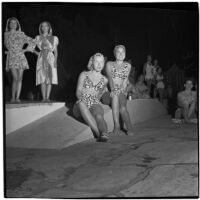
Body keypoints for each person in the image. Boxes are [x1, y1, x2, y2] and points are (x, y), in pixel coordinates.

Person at [75, 53, 109, 142]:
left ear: (104, 63)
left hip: (94, 103)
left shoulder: (105, 80)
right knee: (82, 104)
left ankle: (104, 133)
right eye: (96, 62)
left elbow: (98, 95)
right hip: (81, 103)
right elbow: (78, 91)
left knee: (99, 115)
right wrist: (81, 98)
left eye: (101, 62)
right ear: (92, 63)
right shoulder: (84, 74)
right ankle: (98, 134)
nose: (99, 64)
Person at [4, 17, 35, 103]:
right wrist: (5, 52)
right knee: (15, 77)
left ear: (17, 25)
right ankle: (12, 97)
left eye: (15, 23)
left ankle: (17, 97)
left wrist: (25, 50)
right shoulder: (5, 34)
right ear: (8, 24)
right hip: (11, 57)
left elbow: (32, 41)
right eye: (11, 23)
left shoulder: (21, 34)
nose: (13, 24)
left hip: (21, 57)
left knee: (20, 78)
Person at [106, 45, 134, 135]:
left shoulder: (128, 65)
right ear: (114, 54)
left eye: (123, 52)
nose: (121, 54)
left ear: (125, 54)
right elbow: (110, 78)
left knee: (122, 108)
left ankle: (129, 128)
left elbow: (125, 80)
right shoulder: (109, 64)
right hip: (112, 89)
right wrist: (113, 89)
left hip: (121, 90)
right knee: (114, 97)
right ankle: (117, 126)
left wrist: (124, 91)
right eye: (118, 52)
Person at [35, 21, 59, 102]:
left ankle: (47, 97)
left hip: (50, 58)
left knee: (49, 77)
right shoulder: (38, 37)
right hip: (41, 58)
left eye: (46, 26)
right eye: (42, 26)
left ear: (49, 27)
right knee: (42, 77)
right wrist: (38, 53)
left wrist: (55, 61)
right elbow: (31, 48)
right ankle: (43, 97)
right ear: (40, 28)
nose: (44, 28)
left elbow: (55, 51)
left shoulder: (54, 38)